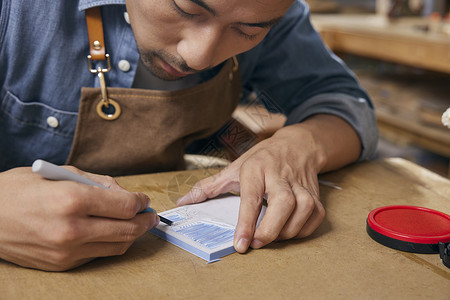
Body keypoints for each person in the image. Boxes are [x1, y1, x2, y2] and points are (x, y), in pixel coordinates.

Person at [0, 0, 378, 271]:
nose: (198, 56)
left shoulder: (270, 8)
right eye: (186, 9)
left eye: (247, 31)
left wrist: (299, 145)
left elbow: (345, 101)